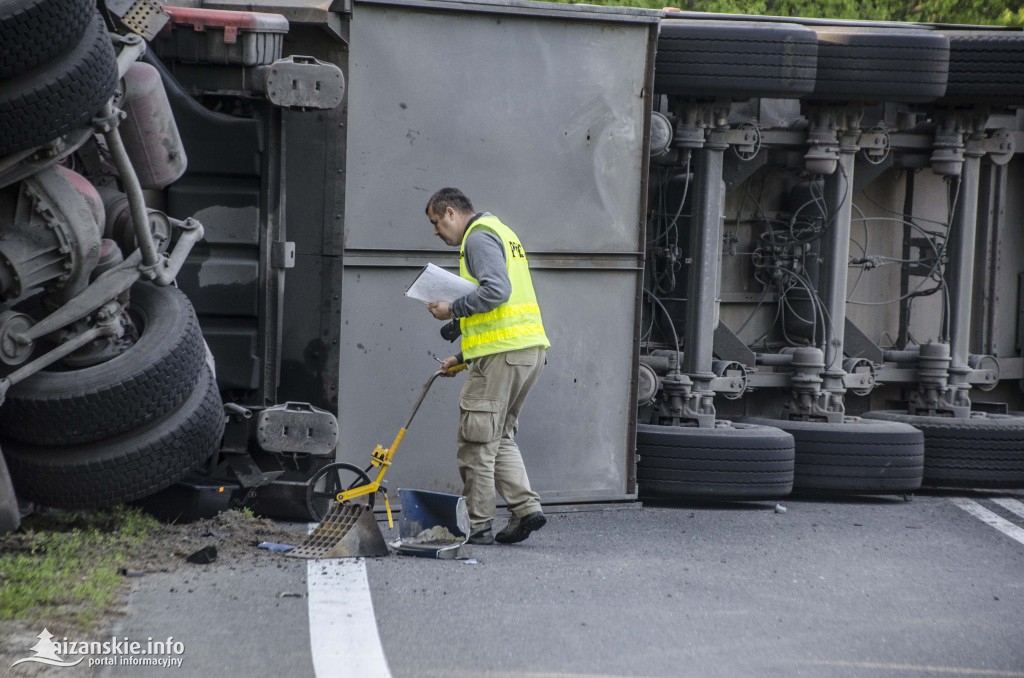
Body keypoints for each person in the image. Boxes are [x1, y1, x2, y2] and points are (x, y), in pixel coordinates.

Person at [424, 187, 550, 545]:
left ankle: (477, 525)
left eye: (436, 223)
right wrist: (463, 358)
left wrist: (453, 308)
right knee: (498, 436)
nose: (436, 232)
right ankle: (526, 509)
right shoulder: (502, 232)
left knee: (476, 440)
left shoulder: (477, 239)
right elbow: (501, 316)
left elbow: (497, 292)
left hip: (504, 357)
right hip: (526, 351)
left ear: (451, 212)